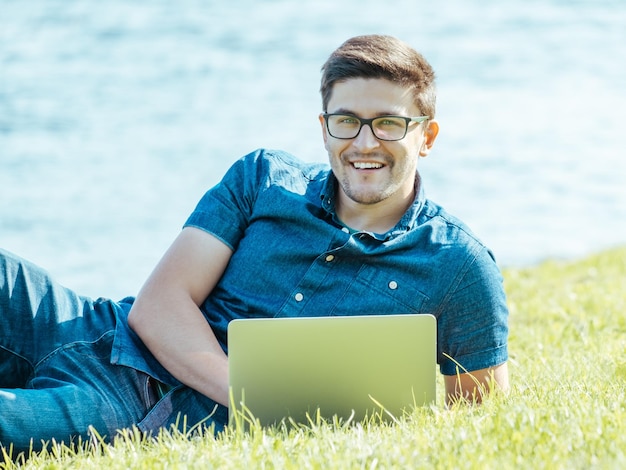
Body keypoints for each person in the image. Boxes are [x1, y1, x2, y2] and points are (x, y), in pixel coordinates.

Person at [0, 34, 509, 457]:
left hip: (131, 406)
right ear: (325, 128)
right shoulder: (263, 177)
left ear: (427, 137)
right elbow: (158, 306)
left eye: (390, 123)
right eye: (346, 120)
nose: (365, 143)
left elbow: (478, 414)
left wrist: (296, 409)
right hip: (91, 326)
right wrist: (258, 400)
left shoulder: (459, 266)